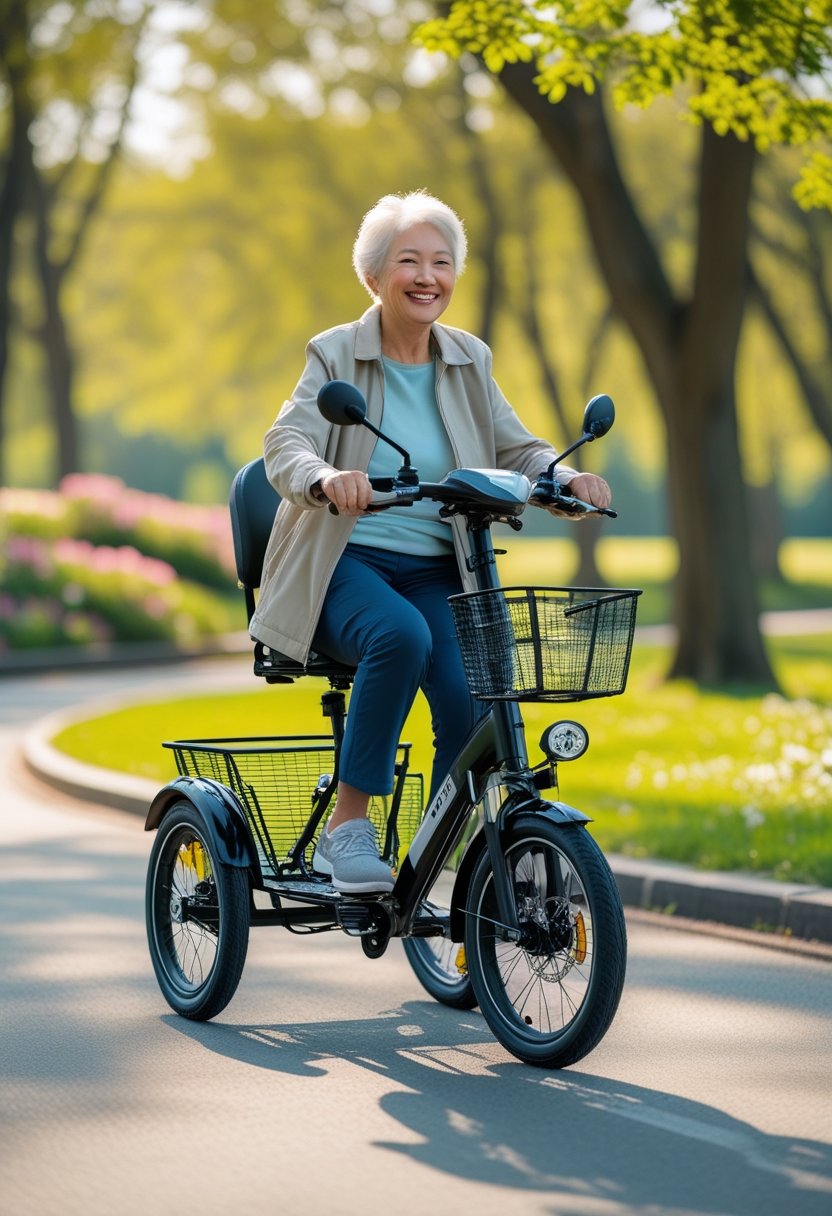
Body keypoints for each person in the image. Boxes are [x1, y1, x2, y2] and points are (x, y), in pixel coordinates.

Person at [250, 190, 611, 894]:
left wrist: (563, 474)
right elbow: (285, 440)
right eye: (409, 261)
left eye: (441, 262)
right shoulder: (334, 353)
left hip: (441, 565)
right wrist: (325, 476)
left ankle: (457, 854)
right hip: (344, 561)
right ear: (375, 277)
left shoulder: (467, 358)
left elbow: (519, 446)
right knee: (401, 638)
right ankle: (345, 828)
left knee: (474, 689)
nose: (427, 276)